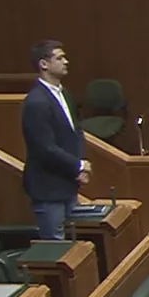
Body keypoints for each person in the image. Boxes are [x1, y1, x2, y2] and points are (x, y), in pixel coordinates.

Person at [21, 40, 88, 240]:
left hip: (67, 182)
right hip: (48, 188)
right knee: (56, 247)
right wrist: (78, 165)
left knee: (75, 244)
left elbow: (76, 132)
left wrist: (80, 167)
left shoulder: (64, 93)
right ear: (44, 64)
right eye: (59, 58)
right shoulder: (36, 102)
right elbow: (45, 148)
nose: (66, 62)